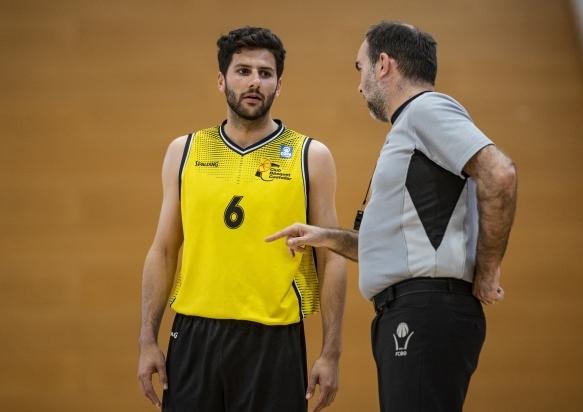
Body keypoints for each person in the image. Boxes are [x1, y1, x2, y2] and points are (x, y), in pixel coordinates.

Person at [266, 21, 517, 412]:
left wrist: (488, 271)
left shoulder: (426, 110)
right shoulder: (413, 126)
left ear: (383, 64)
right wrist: (324, 236)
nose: (360, 85)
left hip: (425, 310)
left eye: (360, 68)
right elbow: (394, 245)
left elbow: (499, 174)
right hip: (412, 310)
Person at [137, 26, 347, 412]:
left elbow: (331, 258)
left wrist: (330, 352)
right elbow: (164, 250)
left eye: (265, 74)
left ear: (278, 85)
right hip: (195, 334)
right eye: (243, 71)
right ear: (221, 79)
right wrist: (148, 340)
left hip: (276, 340)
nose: (254, 82)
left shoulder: (310, 156)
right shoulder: (184, 151)